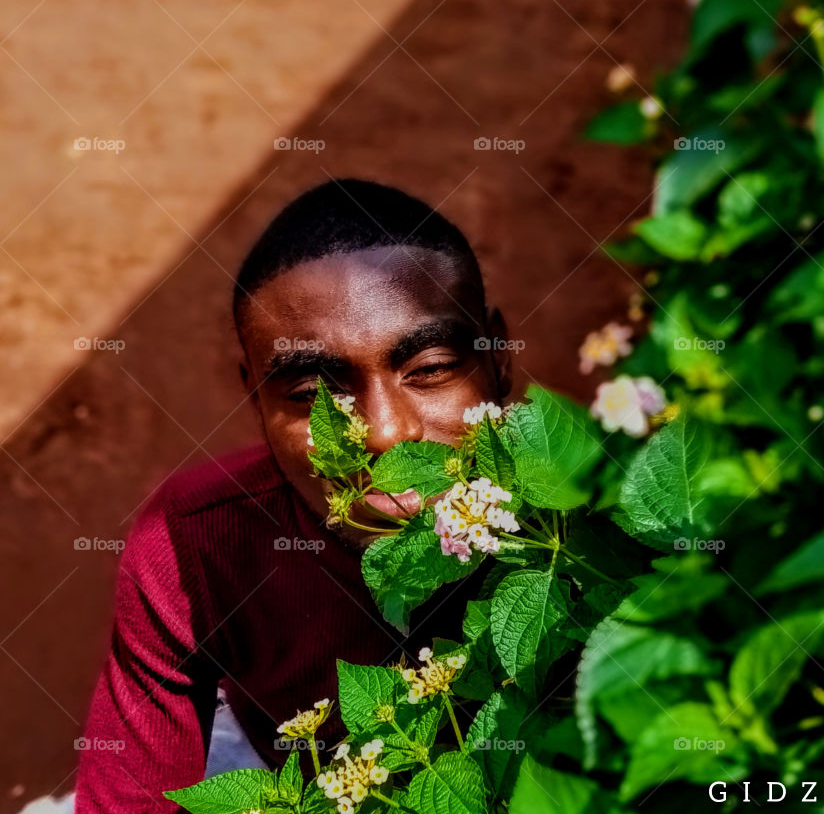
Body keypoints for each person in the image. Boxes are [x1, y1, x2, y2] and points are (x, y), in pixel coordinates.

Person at [73, 179, 512, 812]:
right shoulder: (193, 543)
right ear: (255, 396)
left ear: (501, 361)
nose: (387, 434)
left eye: (431, 369)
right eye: (312, 394)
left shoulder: (588, 518)